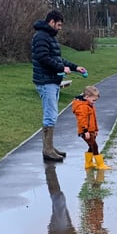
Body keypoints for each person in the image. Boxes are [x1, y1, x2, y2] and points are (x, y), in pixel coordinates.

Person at [32, 10, 87, 162]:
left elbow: (57, 58)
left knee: (52, 114)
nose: (60, 28)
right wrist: (61, 68)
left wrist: (75, 67)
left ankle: (50, 147)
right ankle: (47, 149)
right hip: (46, 81)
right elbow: (44, 58)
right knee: (50, 115)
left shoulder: (49, 37)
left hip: (52, 80)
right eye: (59, 24)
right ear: (51, 22)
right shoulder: (41, 37)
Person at [72, 85, 111, 170]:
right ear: (86, 97)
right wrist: (85, 131)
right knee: (94, 146)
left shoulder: (89, 105)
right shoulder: (82, 107)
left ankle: (88, 163)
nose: (94, 102)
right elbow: (82, 120)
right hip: (85, 131)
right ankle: (100, 164)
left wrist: (96, 129)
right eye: (93, 100)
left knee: (91, 146)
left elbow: (93, 118)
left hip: (91, 130)